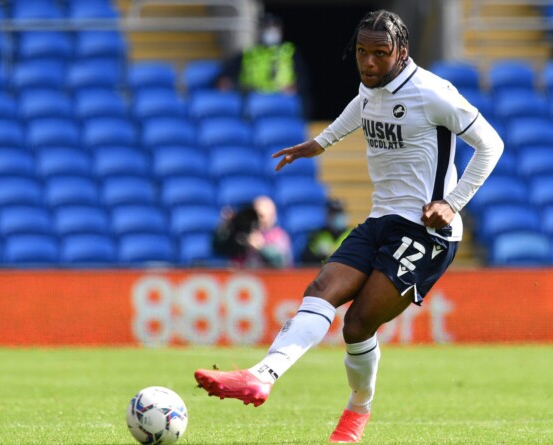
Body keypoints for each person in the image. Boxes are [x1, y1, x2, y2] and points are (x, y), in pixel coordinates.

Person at [195, 9, 503, 443]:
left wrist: (452, 204)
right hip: (380, 219)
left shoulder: (433, 93)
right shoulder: (370, 87)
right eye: (362, 52)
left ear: (402, 51)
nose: (369, 62)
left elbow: (491, 144)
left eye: (380, 53)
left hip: (425, 233)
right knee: (320, 290)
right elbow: (362, 107)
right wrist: (320, 143)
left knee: (356, 325)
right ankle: (261, 376)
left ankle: (356, 415)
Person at [217, 13, 309, 97]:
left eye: (274, 28)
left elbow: (303, 78)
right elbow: (226, 74)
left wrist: (294, 87)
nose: (270, 32)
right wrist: (226, 82)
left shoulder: (290, 51)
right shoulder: (249, 52)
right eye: (266, 28)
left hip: (282, 97)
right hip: (251, 97)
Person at [212, 195, 293, 269]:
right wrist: (227, 227)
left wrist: (262, 248)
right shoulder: (243, 232)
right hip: (240, 277)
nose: (259, 219)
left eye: (262, 216)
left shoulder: (280, 236)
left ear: (273, 217)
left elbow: (281, 263)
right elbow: (218, 248)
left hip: (268, 278)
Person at [300, 198, 351, 265]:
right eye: (332, 213)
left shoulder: (351, 234)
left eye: (339, 213)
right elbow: (305, 260)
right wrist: (319, 256)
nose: (336, 216)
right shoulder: (317, 235)